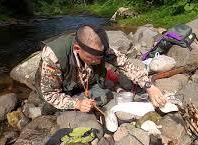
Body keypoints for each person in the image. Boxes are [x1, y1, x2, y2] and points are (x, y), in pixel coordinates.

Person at [35, 24, 166, 114]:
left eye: (101, 57)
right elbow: (50, 93)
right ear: (77, 49)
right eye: (93, 58)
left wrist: (149, 86)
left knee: (103, 97)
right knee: (56, 106)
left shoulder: (100, 50)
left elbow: (125, 65)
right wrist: (77, 104)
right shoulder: (53, 55)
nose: (98, 61)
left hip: (84, 81)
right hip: (59, 87)